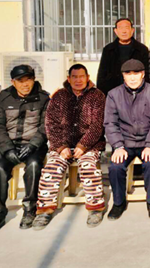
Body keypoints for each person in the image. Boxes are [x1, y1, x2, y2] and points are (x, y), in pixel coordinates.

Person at [32, 64, 106, 230]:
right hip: (62, 146)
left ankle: (95, 209)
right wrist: (60, 146)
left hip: (90, 145)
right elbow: (50, 124)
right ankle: (44, 210)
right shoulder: (59, 96)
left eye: (81, 76)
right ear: (69, 78)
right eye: (74, 77)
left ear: (87, 77)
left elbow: (98, 125)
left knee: (88, 167)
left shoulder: (97, 96)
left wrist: (83, 145)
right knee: (51, 168)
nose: (78, 80)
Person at [0, 65, 49, 237]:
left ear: (34, 79)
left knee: (34, 166)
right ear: (13, 82)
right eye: (20, 81)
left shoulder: (43, 98)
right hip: (9, 145)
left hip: (33, 146)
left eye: (29, 79)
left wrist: (33, 145)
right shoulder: (3, 97)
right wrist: (7, 149)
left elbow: (46, 127)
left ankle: (30, 209)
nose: (25, 84)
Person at [104, 59, 150, 221]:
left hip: (148, 142)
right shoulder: (113, 94)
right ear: (123, 76)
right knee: (115, 167)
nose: (132, 78)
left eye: (136, 73)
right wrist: (117, 146)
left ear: (143, 74)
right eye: (128, 74)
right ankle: (118, 203)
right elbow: (110, 123)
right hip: (124, 142)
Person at [96, 18, 149, 95]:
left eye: (126, 27)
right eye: (120, 28)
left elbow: (147, 72)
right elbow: (102, 73)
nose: (124, 31)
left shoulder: (142, 49)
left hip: (137, 91)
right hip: (113, 91)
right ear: (115, 31)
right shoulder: (108, 49)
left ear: (132, 30)